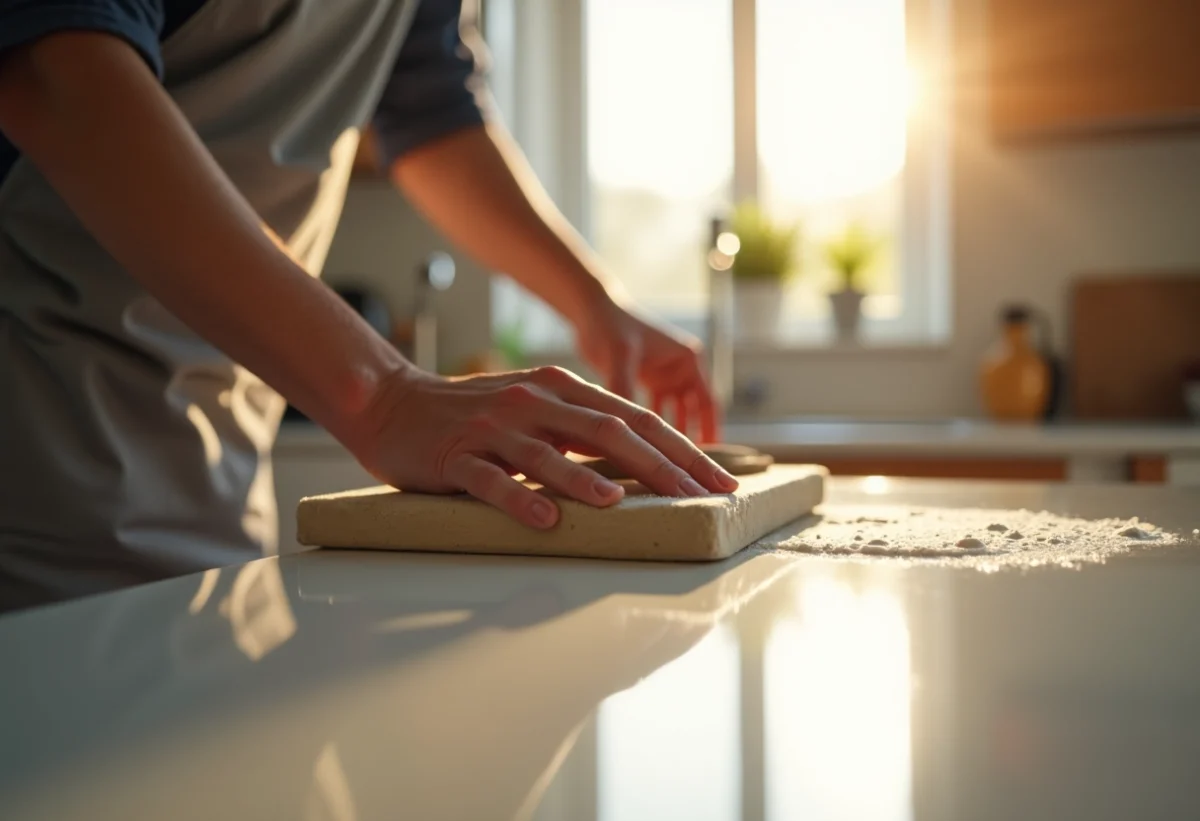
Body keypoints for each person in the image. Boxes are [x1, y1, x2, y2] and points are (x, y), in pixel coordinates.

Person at [0, 0, 737, 611]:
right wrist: (382, 395)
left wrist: (594, 303)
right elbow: (59, 78)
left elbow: (433, 114)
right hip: (31, 454)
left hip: (212, 468)